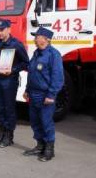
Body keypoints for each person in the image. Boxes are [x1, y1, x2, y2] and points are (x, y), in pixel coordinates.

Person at [23, 27, 64, 162]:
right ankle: (40, 146)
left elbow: (58, 77)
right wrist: (27, 90)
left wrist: (51, 95)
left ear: (46, 39)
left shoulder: (53, 54)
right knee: (35, 122)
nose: (35, 39)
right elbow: (32, 75)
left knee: (46, 122)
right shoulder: (36, 53)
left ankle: (49, 149)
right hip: (33, 93)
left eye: (37, 37)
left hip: (44, 95)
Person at [0, 19, 29, 148]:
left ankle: (9, 136)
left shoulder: (16, 44)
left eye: (2, 30)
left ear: (9, 29)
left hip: (9, 81)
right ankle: (1, 133)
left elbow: (26, 63)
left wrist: (13, 70)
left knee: (9, 108)